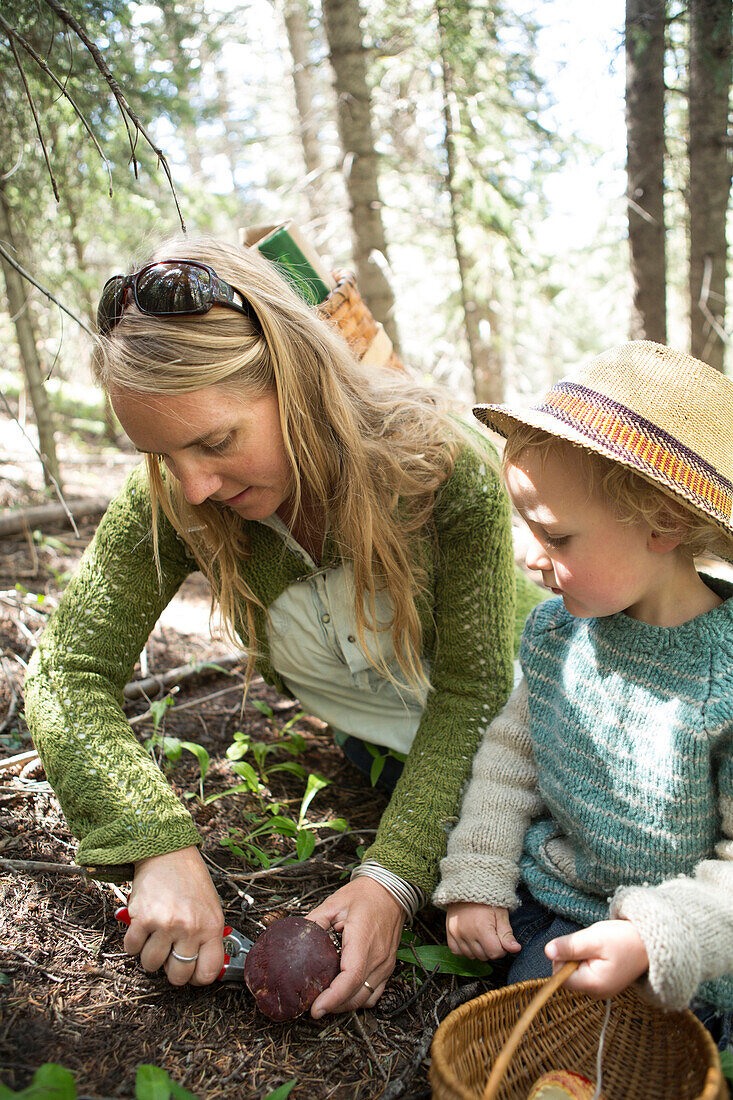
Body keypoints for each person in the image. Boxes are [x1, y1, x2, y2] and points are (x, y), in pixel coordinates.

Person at [24, 235, 542, 1017]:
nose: (193, 484)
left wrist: (392, 876)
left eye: (216, 440)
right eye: (161, 454)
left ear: (294, 380)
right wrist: (151, 840)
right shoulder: (173, 491)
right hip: (381, 736)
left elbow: (473, 689)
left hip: (532, 707)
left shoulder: (437, 464)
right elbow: (65, 670)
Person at [433, 341, 733, 1046]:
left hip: (693, 936)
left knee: (645, 1048)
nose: (527, 554)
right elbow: (512, 759)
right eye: (525, 526)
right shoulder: (555, 636)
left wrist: (653, 937)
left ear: (662, 523)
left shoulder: (723, 680)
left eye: (555, 536)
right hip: (565, 900)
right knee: (541, 1039)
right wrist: (477, 873)